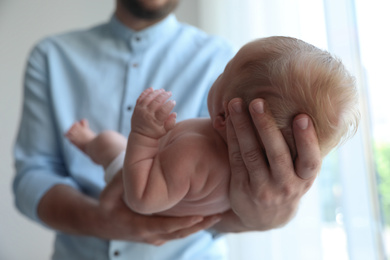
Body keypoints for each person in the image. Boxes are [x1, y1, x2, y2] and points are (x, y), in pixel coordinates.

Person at [13, 0, 322, 259]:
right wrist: (103, 221)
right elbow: (33, 175)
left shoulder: (224, 61)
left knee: (109, 145)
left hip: (174, 228)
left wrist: (270, 213)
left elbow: (229, 190)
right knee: (108, 145)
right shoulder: (51, 56)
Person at [65, 36, 359, 219]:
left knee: (109, 142)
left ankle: (86, 141)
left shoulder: (194, 152)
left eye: (224, 73)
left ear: (223, 116)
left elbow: (141, 198)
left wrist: (143, 135)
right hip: (168, 195)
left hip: (135, 188)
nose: (218, 74)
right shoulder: (247, 176)